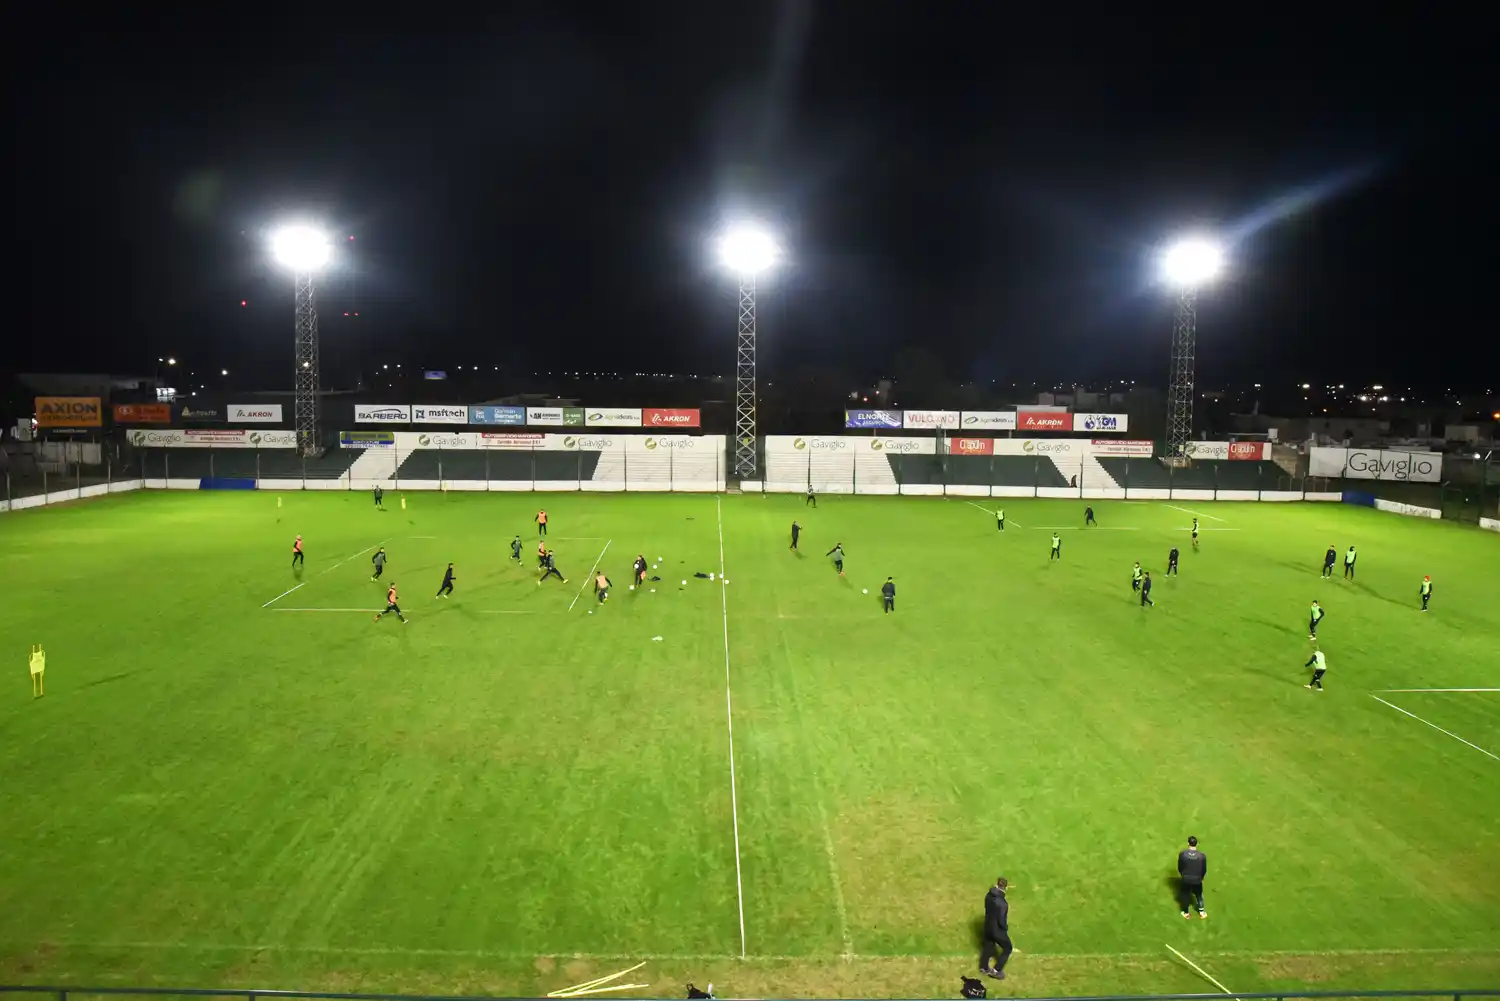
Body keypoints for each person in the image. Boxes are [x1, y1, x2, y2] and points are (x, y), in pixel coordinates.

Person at [979, 877, 1012, 980]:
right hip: (997, 930)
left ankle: (984, 967)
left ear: (997, 884)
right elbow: (1001, 921)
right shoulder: (1003, 904)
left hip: (987, 926)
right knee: (1007, 948)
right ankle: (996, 970)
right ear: (1005, 887)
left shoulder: (988, 896)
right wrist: (1005, 928)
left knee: (988, 945)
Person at [1177, 836, 1207, 919]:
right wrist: (1201, 878)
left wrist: (1183, 875)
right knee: (1199, 895)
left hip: (1186, 879)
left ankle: (1186, 913)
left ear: (1188, 843)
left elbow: (1180, 867)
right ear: (1197, 844)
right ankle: (1202, 912)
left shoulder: (1183, 854)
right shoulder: (1202, 856)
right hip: (1197, 879)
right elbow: (1204, 869)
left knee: (1185, 895)